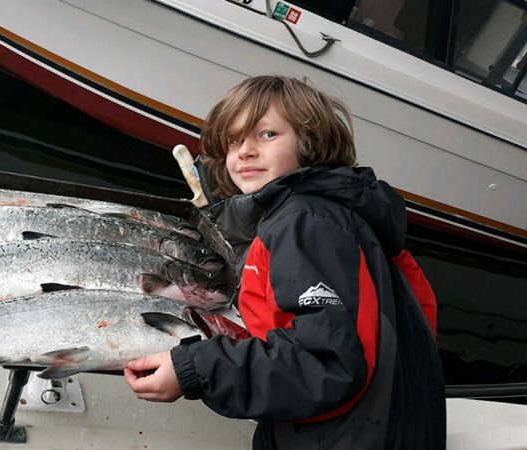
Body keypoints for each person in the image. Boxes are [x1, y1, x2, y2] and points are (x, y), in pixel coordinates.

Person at [124, 75, 446, 449]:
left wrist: (194, 369)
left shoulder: (305, 223)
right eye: (234, 140)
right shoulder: (327, 213)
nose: (244, 151)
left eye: (267, 135)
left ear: (309, 145)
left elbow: (327, 362)